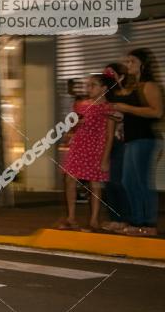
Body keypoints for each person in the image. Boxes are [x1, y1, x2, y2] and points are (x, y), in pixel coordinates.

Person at [111, 48, 163, 236]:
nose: (128, 65)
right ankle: (137, 220)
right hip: (131, 139)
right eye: (128, 61)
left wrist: (127, 108)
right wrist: (120, 115)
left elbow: (156, 112)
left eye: (132, 61)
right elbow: (134, 112)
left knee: (141, 181)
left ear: (143, 63)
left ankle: (149, 223)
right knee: (128, 181)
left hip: (145, 138)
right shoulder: (136, 86)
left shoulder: (150, 85)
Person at [57, 73, 116, 231]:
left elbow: (110, 135)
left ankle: (94, 220)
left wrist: (105, 158)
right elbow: (74, 126)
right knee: (70, 179)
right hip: (79, 146)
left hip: (96, 148)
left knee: (94, 184)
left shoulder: (108, 108)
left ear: (104, 88)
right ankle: (71, 218)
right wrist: (74, 125)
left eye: (93, 85)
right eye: (88, 85)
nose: (89, 88)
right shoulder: (82, 105)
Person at [101, 64, 131, 232]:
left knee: (117, 181)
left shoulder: (125, 95)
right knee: (109, 182)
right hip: (106, 143)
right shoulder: (107, 97)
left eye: (111, 74)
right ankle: (115, 218)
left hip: (121, 143)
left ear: (121, 77)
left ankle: (124, 219)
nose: (108, 76)